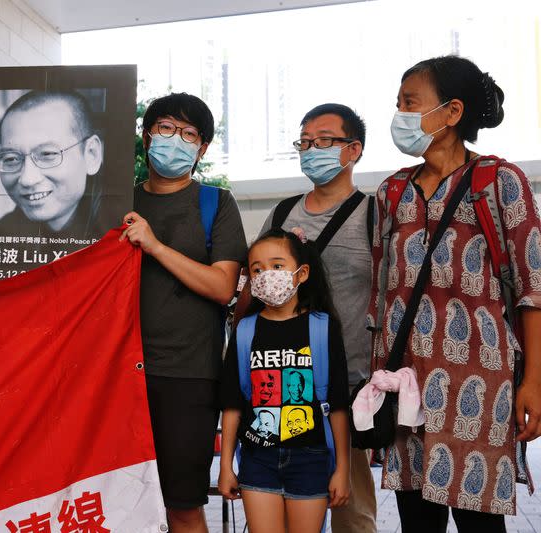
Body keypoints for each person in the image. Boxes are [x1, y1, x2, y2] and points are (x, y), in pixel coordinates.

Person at [368, 55, 541, 533]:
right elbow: (381, 295)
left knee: (479, 524)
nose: (399, 113)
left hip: (480, 385)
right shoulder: (392, 192)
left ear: (452, 112)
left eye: (410, 102)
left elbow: (533, 289)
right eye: (398, 102)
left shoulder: (499, 182)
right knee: (417, 525)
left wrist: (534, 383)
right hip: (404, 382)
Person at [120, 92, 247, 533]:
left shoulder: (216, 203)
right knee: (119, 500)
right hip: (117, 374)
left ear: (203, 148)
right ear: (146, 136)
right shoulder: (117, 201)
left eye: (189, 133)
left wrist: (154, 245)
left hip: (187, 374)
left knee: (183, 505)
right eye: (166, 129)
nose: (175, 140)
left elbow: (222, 286)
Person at [252, 103, 377, 533]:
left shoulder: (374, 215)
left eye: (323, 141)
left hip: (349, 384)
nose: (311, 149)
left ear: (353, 149)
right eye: (304, 142)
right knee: (280, 506)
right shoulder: (283, 214)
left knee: (352, 510)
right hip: (281, 383)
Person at [219, 229, 351, 533]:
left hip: (312, 460)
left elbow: (339, 406)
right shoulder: (245, 331)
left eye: (277, 266)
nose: (267, 275)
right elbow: (232, 405)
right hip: (258, 459)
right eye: (257, 269)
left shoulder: (323, 328)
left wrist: (343, 469)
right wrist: (226, 466)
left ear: (301, 273)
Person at [0, 90, 105, 237]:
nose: (27, 179)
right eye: (11, 159)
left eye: (47, 154)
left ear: (91, 154)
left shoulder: (121, 229)